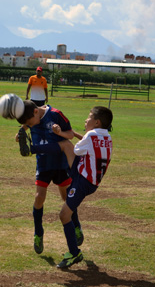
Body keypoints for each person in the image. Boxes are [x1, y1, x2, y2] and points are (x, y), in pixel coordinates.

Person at [18, 105, 113, 269]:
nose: (86, 120)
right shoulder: (107, 137)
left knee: (63, 215)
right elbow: (85, 144)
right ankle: (74, 246)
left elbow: (76, 147)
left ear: (96, 122)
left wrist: (61, 133)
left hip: (81, 180)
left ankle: (74, 253)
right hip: (92, 181)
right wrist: (72, 134)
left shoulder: (90, 135)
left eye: (89, 117)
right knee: (65, 144)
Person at [15, 100, 85, 257]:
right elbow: (24, 128)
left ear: (35, 112)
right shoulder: (30, 119)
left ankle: (76, 225)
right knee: (39, 197)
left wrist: (59, 132)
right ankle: (38, 232)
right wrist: (20, 134)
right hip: (43, 164)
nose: (29, 126)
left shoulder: (55, 115)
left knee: (66, 197)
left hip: (60, 164)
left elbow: (70, 135)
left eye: (29, 123)